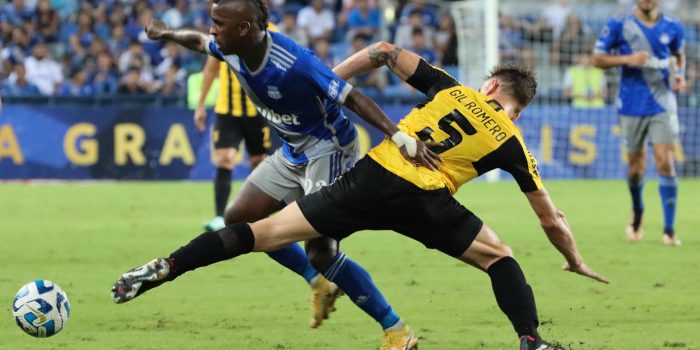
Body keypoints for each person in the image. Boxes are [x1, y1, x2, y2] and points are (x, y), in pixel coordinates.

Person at [112, 41, 609, 349]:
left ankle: (169, 266)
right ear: (516, 108)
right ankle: (530, 340)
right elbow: (551, 220)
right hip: (429, 203)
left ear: (491, 85)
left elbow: (385, 51)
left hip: (371, 180)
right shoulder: (513, 143)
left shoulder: (453, 90)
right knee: (500, 258)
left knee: (260, 232)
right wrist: (574, 258)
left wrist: (333, 80)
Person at [112, 1, 441, 348]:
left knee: (321, 250)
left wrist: (400, 137)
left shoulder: (295, 63)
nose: (212, 30)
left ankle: (397, 331)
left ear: (244, 29)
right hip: (292, 150)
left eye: (218, 23)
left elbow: (352, 98)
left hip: (328, 149)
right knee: (239, 217)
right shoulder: (231, 49)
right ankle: (318, 282)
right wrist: (167, 33)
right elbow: (197, 41)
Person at [593, 0, 686, 246]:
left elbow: (678, 54)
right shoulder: (619, 24)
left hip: (663, 103)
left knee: (665, 161)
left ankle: (669, 229)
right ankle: (637, 211)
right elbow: (597, 59)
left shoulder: (673, 26)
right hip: (631, 105)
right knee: (636, 167)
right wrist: (627, 59)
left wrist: (679, 76)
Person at [194, 20, 279, 232]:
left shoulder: (271, 31)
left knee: (259, 163)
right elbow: (211, 68)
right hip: (227, 110)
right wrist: (201, 105)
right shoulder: (224, 30)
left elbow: (279, 69)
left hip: (258, 110)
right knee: (224, 158)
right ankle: (219, 216)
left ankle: (258, 215)